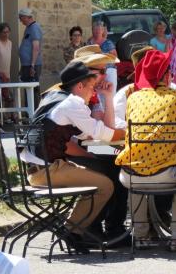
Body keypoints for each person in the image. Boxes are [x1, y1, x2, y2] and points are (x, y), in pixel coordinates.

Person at [26, 61, 125, 252]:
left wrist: (107, 101)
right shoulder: (73, 103)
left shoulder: (56, 99)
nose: (93, 92)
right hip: (48, 171)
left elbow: (87, 134)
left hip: (38, 169)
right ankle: (73, 231)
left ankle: (75, 229)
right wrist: (130, 134)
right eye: (91, 87)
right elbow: (106, 134)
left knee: (104, 172)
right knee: (106, 184)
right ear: (80, 86)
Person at [116, 49, 176, 251]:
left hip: (130, 176)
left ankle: (141, 234)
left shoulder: (133, 98)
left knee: (134, 170)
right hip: (164, 175)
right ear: (166, 75)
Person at [18, 8, 43, 105]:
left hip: (32, 65)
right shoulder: (29, 28)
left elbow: (36, 47)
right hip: (27, 65)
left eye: (21, 18)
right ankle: (30, 114)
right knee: (28, 90)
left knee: (33, 91)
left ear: (26, 17)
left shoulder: (34, 28)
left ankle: (35, 115)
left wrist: (32, 65)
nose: (20, 20)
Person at [88, 21, 118, 92]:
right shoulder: (89, 43)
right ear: (92, 30)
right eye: (95, 29)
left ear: (102, 31)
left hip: (109, 71)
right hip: (94, 72)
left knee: (110, 92)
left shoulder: (108, 43)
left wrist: (104, 63)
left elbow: (115, 58)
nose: (97, 31)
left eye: (99, 29)